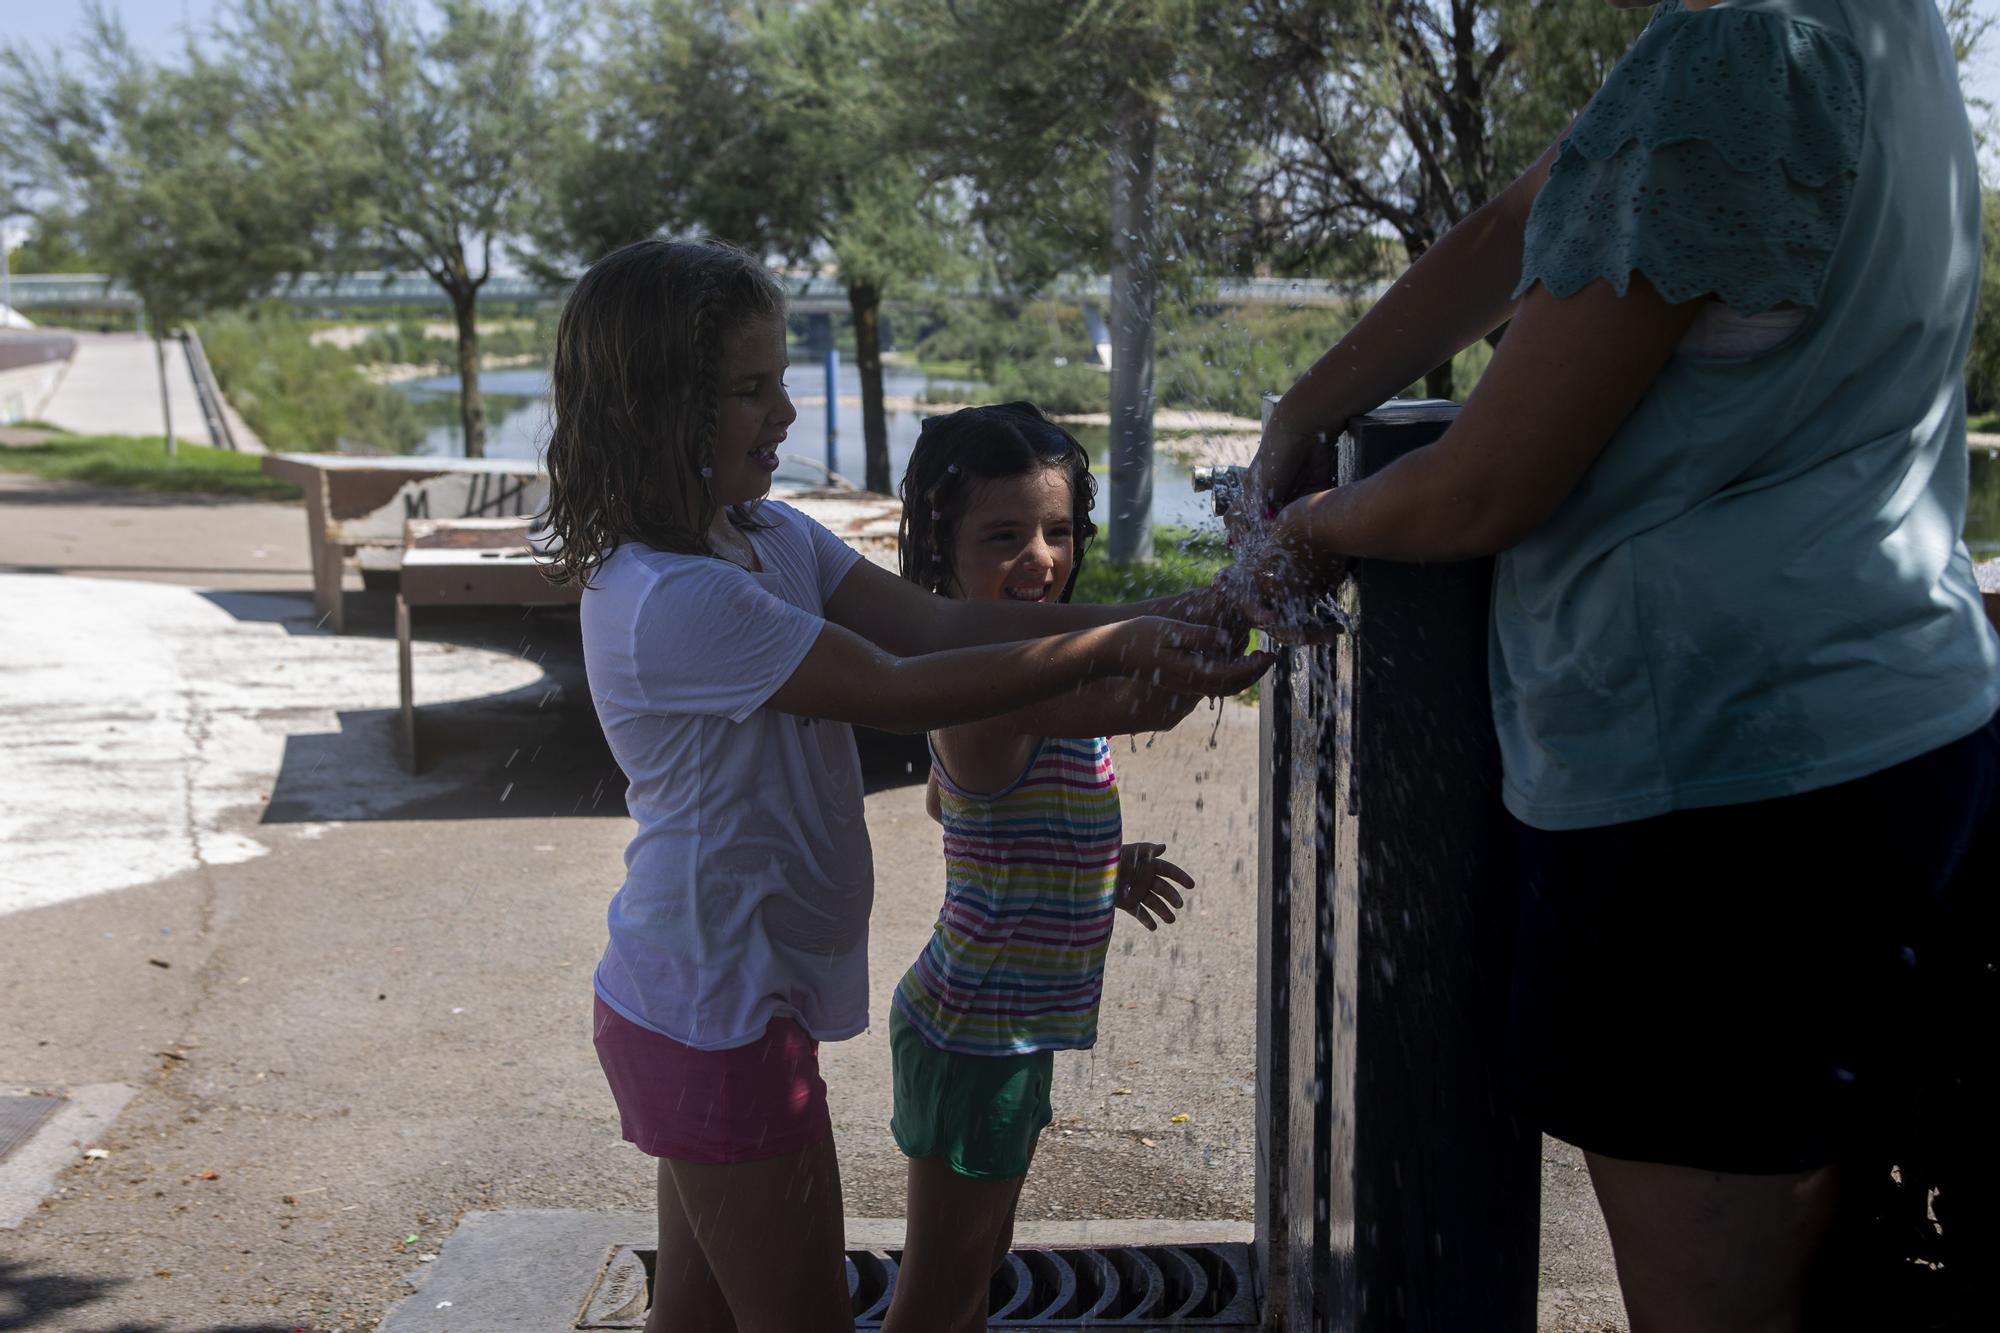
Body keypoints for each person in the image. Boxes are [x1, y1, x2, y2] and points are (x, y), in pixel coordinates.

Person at [1225, 1, 2000, 1328]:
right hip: (1898, 725)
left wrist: (1307, 533)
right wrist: (1307, 410)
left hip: (1714, 786)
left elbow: (1483, 489)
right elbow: (1527, 216)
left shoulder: (1735, 45)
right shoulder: (1866, 22)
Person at [538, 240, 1270, 1333]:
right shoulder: (670, 597)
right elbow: (896, 683)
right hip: (710, 1014)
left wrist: (1174, 612)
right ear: (657, 406)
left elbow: (937, 622)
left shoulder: (764, 535)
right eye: (749, 389)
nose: (783, 412)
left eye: (780, 378)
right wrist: (1128, 641)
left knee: (694, 1323)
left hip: (719, 999)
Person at [875, 404, 1201, 1333]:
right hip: (977, 1032)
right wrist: (1243, 606)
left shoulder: (1000, 677)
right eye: (1005, 535)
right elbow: (1152, 697)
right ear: (942, 551)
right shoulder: (1002, 681)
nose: (1042, 558)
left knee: (974, 1274)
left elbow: (955, 805)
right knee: (939, 1296)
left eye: (1059, 532)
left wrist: (1093, 862)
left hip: (996, 1028)